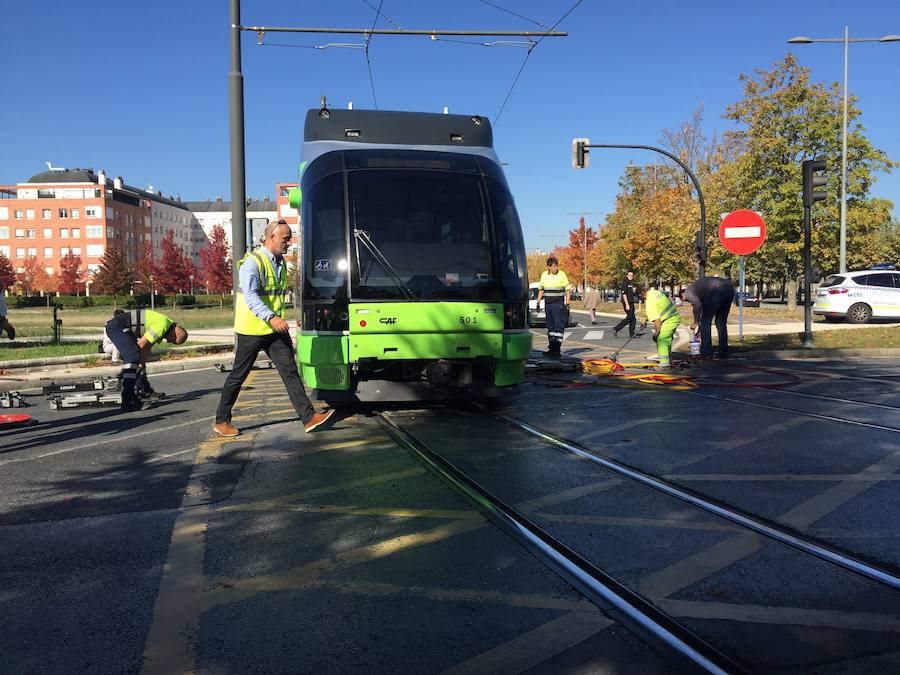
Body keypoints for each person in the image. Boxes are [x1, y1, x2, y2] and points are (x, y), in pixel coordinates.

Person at [213, 219, 334, 437]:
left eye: (290, 239)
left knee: (290, 372)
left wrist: (287, 317)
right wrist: (271, 317)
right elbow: (250, 296)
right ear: (271, 237)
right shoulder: (253, 262)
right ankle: (222, 421)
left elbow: (276, 296)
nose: (289, 243)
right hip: (251, 329)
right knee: (238, 376)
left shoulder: (280, 262)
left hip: (273, 329)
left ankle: (308, 418)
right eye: (286, 239)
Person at [105, 308, 188, 411]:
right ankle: (128, 400)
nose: (169, 341)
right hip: (117, 327)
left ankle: (142, 391)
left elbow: (147, 347)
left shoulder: (165, 325)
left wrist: (142, 365)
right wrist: (136, 365)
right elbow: (141, 344)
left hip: (123, 328)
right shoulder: (161, 326)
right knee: (132, 356)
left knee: (135, 360)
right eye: (173, 341)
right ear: (176, 334)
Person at [681, 274, 736, 358]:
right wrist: (700, 329)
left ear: (682, 295)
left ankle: (706, 352)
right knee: (721, 322)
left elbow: (697, 305)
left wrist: (696, 322)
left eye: (686, 300)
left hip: (716, 289)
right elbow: (703, 306)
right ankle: (723, 352)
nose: (688, 301)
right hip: (729, 289)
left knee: (706, 321)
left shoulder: (688, 291)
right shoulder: (699, 288)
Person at [535, 257, 572, 357]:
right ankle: (551, 348)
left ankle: (557, 349)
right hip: (548, 304)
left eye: (557, 266)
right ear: (548, 267)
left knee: (558, 327)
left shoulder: (562, 274)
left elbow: (567, 290)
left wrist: (567, 304)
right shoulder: (544, 275)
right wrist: (538, 302)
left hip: (558, 304)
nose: (556, 268)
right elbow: (541, 289)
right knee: (550, 327)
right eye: (554, 266)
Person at [641, 285, 681, 368]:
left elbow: (657, 320)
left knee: (661, 339)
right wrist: (646, 319)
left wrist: (656, 332)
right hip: (674, 317)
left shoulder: (649, 300)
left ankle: (664, 363)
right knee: (667, 340)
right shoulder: (655, 293)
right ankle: (668, 360)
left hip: (669, 320)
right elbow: (658, 308)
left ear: (642, 294)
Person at [613, 270, 637, 338]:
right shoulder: (625, 282)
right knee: (629, 318)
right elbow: (624, 294)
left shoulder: (631, 283)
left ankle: (632, 333)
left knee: (633, 318)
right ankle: (616, 328)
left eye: (632, 275)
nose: (630, 277)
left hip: (631, 302)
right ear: (627, 276)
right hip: (627, 302)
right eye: (629, 275)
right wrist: (627, 304)